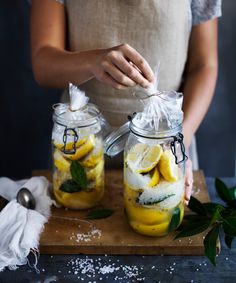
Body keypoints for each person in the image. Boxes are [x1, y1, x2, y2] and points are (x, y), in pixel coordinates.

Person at [30, 0, 222, 204]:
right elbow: (43, 65)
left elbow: (204, 65)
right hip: (79, 144)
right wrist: (92, 61)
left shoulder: (174, 143)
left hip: (167, 144)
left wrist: (178, 141)